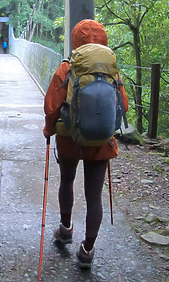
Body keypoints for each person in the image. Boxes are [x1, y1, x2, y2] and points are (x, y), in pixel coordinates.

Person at [42, 19, 128, 269]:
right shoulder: (112, 72)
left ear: (75, 40)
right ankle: (87, 250)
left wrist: (49, 129)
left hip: (70, 138)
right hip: (100, 141)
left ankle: (66, 229)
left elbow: (52, 107)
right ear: (104, 40)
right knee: (94, 196)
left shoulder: (67, 68)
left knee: (67, 180)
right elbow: (124, 105)